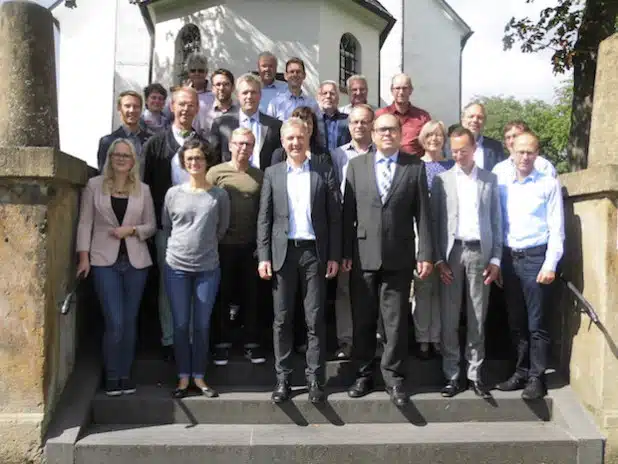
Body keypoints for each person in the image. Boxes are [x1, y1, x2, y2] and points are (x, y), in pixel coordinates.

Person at [343, 114, 433, 406]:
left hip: (399, 256)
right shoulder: (356, 166)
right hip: (363, 255)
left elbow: (423, 215)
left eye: (392, 130)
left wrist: (425, 254)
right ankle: (363, 374)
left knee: (395, 323)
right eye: (381, 130)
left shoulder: (414, 167)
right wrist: (345, 253)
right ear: (372, 132)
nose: (386, 134)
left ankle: (394, 379)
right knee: (364, 320)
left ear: (400, 133)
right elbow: (348, 215)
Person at [257, 117, 342, 404]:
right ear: (283, 142)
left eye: (300, 137)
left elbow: (334, 217)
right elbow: (264, 218)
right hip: (283, 253)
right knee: (281, 320)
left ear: (307, 139)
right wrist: (264, 255)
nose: (295, 143)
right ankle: (283, 379)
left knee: (314, 319)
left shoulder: (323, 170)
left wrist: (334, 254)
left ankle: (315, 378)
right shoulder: (272, 173)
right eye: (290, 138)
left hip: (313, 254)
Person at [76, 139, 156, 396]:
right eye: (117, 155)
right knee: (115, 321)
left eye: (127, 156)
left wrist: (131, 230)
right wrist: (83, 257)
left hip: (136, 262)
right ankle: (112, 375)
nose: (121, 159)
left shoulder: (142, 189)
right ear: (109, 158)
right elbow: (84, 223)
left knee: (130, 321)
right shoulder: (94, 185)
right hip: (102, 261)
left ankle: (125, 375)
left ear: (134, 161)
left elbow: (151, 226)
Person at [431, 126, 503, 399]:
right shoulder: (442, 180)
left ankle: (475, 374)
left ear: (474, 149)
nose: (458, 155)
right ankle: (451, 375)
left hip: (479, 254)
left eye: (463, 150)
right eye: (454, 150)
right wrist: (438, 259)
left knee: (477, 316)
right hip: (450, 254)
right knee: (449, 317)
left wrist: (496, 258)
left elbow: (497, 221)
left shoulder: (489, 180)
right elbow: (436, 221)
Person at [494, 131, 564, 400]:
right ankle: (520, 371)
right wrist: (498, 261)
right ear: (511, 151)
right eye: (520, 151)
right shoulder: (502, 182)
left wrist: (550, 264)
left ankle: (537, 377)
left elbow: (557, 229)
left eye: (530, 152)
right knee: (516, 321)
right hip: (510, 257)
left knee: (537, 323)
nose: (524, 156)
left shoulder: (547, 184)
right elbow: (497, 223)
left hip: (536, 258)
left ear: (537, 154)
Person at [143, 87, 207, 362]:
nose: (185, 109)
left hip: (199, 228)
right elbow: (145, 186)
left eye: (191, 105)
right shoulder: (156, 144)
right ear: (172, 107)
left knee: (197, 285)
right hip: (166, 227)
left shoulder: (205, 144)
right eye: (181, 104)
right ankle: (171, 339)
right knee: (168, 287)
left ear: (197, 109)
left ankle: (193, 338)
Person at [163, 139, 230, 399]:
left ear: (206, 161)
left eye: (199, 158)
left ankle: (199, 376)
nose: (194, 163)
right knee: (180, 324)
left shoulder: (219, 195)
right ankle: (182, 377)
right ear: (183, 162)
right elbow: (167, 226)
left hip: (207, 268)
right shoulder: (172, 194)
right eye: (189, 159)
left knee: (202, 324)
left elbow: (222, 228)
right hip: (176, 266)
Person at [206, 128, 265, 365]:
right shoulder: (215, 173)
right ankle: (222, 342)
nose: (243, 148)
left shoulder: (260, 176)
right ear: (230, 145)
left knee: (252, 296)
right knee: (223, 294)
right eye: (239, 143)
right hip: (222, 245)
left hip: (251, 245)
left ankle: (251, 342)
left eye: (248, 144)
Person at [329, 104, 375, 360]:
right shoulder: (337, 156)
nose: (359, 126)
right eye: (355, 122)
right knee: (345, 288)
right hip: (346, 227)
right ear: (349, 125)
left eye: (364, 122)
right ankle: (346, 341)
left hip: (374, 227)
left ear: (371, 125)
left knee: (374, 287)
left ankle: (375, 340)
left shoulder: (382, 154)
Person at [413, 120, 454, 359]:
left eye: (439, 135)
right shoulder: (416, 166)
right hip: (422, 230)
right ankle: (422, 338)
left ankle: (437, 337)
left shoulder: (451, 166)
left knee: (442, 287)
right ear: (422, 138)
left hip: (447, 229)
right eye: (430, 135)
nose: (434, 139)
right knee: (423, 284)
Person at [209, 73, 282, 170]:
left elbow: (278, 160)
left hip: (263, 180)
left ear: (260, 95)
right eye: (245, 92)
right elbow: (213, 158)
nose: (249, 96)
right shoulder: (221, 123)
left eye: (253, 92)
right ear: (238, 95)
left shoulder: (274, 125)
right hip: (231, 181)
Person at [97, 90, 150, 177]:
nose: (132, 110)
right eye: (127, 106)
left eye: (136, 106)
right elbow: (104, 174)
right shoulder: (107, 141)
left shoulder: (151, 141)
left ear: (141, 109)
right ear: (119, 108)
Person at [375, 73, 431, 156]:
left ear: (411, 90)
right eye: (397, 88)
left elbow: (429, 143)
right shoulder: (380, 115)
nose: (401, 92)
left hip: (414, 165)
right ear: (392, 90)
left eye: (405, 88)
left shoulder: (423, 117)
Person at [454, 102, 506, 172]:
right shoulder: (449, 146)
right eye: (471, 116)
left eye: (480, 117)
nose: (475, 120)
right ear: (462, 120)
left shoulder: (495, 147)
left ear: (484, 122)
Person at [194, 68, 238, 138]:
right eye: (218, 84)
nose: (221, 88)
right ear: (212, 88)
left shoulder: (241, 111)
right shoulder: (203, 112)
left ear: (233, 87)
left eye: (226, 84)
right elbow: (196, 137)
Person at [183, 52, 216, 138]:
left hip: (210, 142)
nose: (197, 73)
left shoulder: (215, 94)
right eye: (193, 71)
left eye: (200, 71)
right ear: (188, 73)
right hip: (186, 140)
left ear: (206, 72)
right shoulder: (182, 94)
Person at [316, 80, 351, 152]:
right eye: (324, 93)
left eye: (332, 93)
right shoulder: (313, 120)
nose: (328, 96)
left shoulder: (348, 119)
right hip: (319, 162)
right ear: (318, 97)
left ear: (338, 98)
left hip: (343, 161)